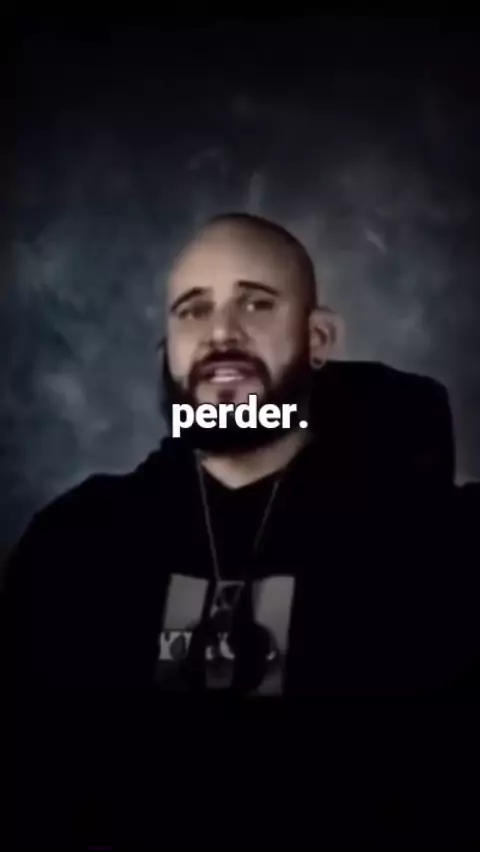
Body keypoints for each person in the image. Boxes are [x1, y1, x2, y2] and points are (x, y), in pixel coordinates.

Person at [3, 212, 480, 849]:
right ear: (168, 352)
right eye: (193, 310)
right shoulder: (74, 547)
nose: (221, 332)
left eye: (256, 303)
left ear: (318, 337)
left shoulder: (435, 543)